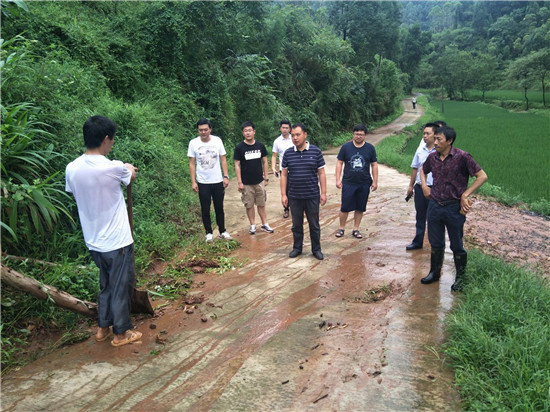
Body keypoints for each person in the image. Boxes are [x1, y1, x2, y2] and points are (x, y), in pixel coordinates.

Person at [65, 115, 142, 347]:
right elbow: (130, 176)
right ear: (106, 139)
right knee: (120, 286)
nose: (112, 144)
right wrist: (128, 168)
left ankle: (102, 328)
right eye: (112, 140)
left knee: (106, 284)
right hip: (117, 241)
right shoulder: (113, 167)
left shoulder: (72, 168)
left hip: (93, 240)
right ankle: (121, 333)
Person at [420, 126, 488, 291]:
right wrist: (424, 186)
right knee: (435, 243)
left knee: (456, 244)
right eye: (434, 138)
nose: (434, 142)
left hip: (453, 208)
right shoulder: (432, 157)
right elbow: (423, 170)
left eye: (439, 139)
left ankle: (460, 278)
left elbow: (482, 176)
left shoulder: (462, 157)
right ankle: (434, 273)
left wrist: (465, 195)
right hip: (435, 205)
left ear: (449, 141)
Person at [280, 123, 327, 260]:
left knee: (314, 224)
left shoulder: (316, 151)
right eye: (293, 135)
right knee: (296, 225)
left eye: (298, 135)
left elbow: (321, 173)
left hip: (312, 195)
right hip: (294, 196)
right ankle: (297, 248)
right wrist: (284, 194)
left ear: (305, 134)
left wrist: (323, 193)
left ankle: (316, 250)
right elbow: (284, 175)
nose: (295, 138)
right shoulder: (288, 153)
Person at [188, 118, 232, 242]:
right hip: (202, 182)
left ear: (210, 129)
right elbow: (192, 163)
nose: (203, 132)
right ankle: (208, 233)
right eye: (201, 130)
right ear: (198, 130)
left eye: (205, 130)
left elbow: (223, 159)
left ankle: (222, 231)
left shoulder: (217, 141)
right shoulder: (193, 143)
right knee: (205, 208)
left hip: (217, 180)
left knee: (219, 207)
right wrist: (193, 181)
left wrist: (226, 176)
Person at [335, 124, 378, 239]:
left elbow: (374, 165)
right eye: (357, 134)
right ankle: (341, 228)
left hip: (364, 182)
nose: (359, 136)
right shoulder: (346, 147)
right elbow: (339, 162)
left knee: (360, 207)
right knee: (345, 207)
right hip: (348, 182)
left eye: (361, 134)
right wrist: (337, 179)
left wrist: (375, 181)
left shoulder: (370, 148)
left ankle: (356, 229)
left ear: (365, 135)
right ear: (353, 134)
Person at [234, 121, 274, 234]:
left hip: (259, 181)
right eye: (245, 131)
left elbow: (265, 162)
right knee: (249, 204)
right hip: (246, 182)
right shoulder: (239, 148)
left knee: (261, 203)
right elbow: (237, 165)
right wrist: (239, 182)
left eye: (250, 130)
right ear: (243, 133)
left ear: (254, 132)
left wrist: (266, 177)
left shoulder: (260, 146)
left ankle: (265, 224)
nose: (248, 133)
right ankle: (252, 225)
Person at [405, 123, 438, 250]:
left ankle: (434, 245)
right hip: (419, 187)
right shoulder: (420, 150)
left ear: (435, 135)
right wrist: (410, 186)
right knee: (420, 215)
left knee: (433, 217)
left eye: (427, 133)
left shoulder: (439, 151)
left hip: (434, 189)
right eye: (423, 133)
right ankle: (418, 242)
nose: (424, 136)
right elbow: (415, 168)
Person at [271, 120, 294, 218]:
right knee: (285, 189)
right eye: (283, 128)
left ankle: (298, 208)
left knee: (296, 188)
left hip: (295, 168)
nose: (285, 129)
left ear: (290, 129)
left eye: (287, 128)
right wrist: (273, 167)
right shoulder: (277, 141)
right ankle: (286, 209)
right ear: (280, 128)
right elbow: (274, 155)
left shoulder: (294, 139)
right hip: (283, 169)